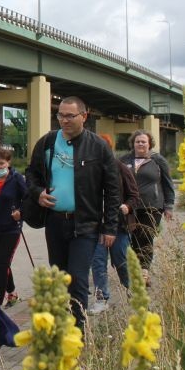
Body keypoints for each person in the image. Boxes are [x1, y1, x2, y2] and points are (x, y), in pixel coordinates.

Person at [23, 96, 121, 330]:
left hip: (85, 224)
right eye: (60, 115)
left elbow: (113, 189)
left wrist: (110, 226)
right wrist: (38, 193)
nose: (64, 120)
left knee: (76, 279)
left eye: (70, 116)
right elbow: (31, 174)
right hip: (55, 222)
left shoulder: (99, 146)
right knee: (59, 279)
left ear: (84, 116)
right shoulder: (47, 142)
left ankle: (78, 335)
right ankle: (60, 328)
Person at [88, 133, 140, 315]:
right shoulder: (89, 169)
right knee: (98, 262)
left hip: (119, 226)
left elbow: (134, 195)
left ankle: (133, 291)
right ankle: (102, 299)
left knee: (122, 261)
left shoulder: (121, 168)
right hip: (96, 226)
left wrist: (127, 206)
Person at [119, 129, 175, 286]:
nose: (140, 144)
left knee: (146, 237)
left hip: (152, 206)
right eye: (138, 141)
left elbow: (167, 184)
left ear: (149, 144)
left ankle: (144, 272)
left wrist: (169, 206)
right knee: (133, 238)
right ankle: (136, 269)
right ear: (133, 143)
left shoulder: (158, 160)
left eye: (144, 141)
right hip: (130, 207)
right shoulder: (124, 160)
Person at [0, 147, 27, 307]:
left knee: (1, 266)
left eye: (1, 163)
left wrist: (20, 212)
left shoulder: (17, 179)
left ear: (8, 163)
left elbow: (28, 199)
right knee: (2, 264)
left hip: (11, 229)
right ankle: (12, 293)